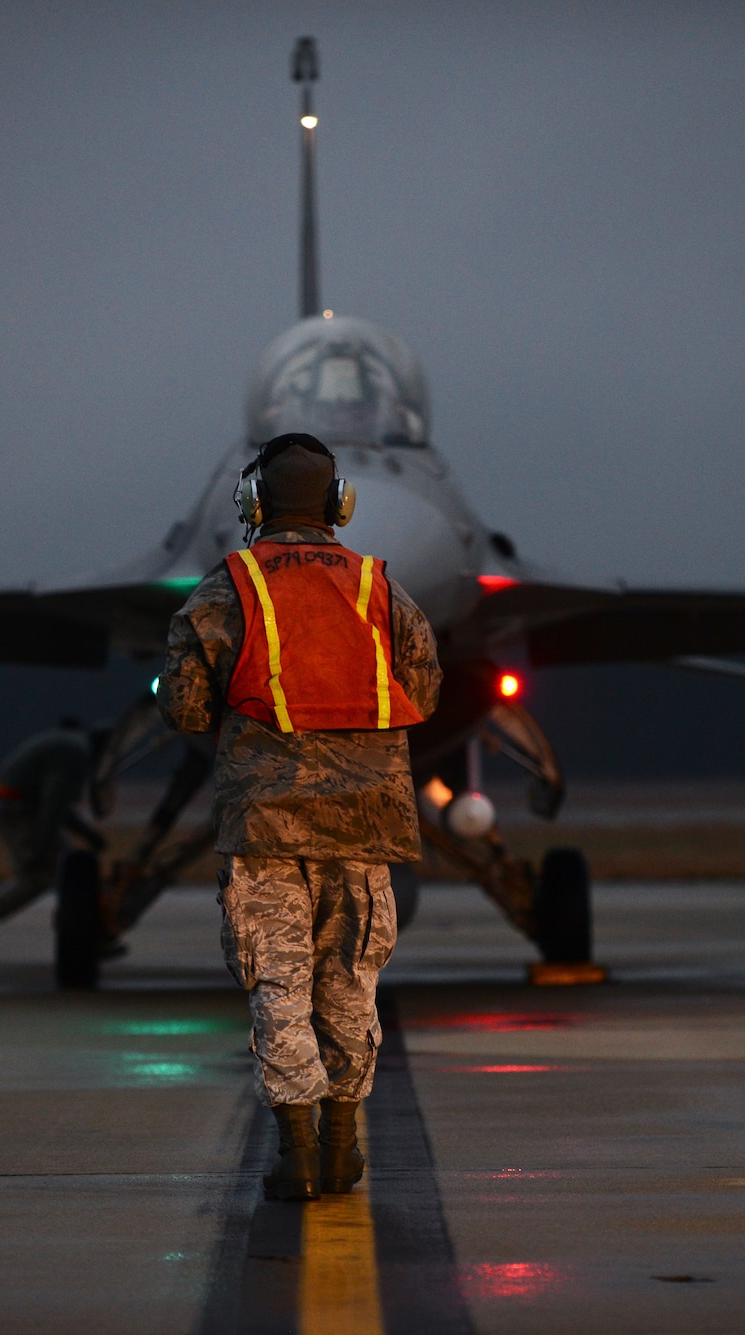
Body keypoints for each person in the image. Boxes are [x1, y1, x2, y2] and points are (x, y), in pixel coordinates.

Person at [158, 432, 441, 1200]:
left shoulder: (228, 587)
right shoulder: (380, 587)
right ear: (338, 504)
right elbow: (427, 690)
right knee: (349, 982)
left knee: (278, 985)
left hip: (265, 829)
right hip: (364, 823)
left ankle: (300, 1155)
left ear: (254, 502)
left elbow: (183, 708)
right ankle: (345, 1145)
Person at [0, 719, 106, 962]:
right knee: (45, 875)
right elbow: (54, 805)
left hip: (18, 807)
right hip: (18, 811)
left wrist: (86, 834)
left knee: (66, 873)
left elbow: (55, 803)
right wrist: (43, 847)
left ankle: (89, 935)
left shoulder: (68, 743)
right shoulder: (75, 753)